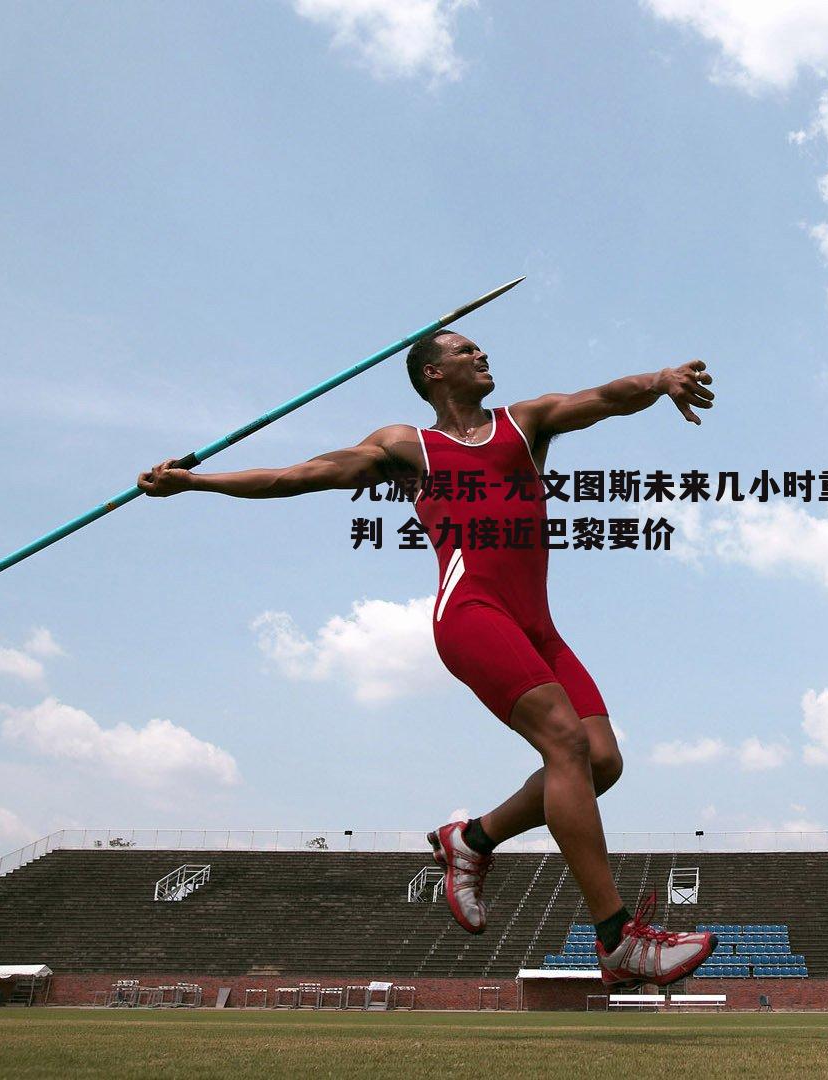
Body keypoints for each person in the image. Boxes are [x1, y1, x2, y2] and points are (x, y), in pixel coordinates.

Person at [137, 329, 718, 987]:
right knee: (565, 741)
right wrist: (196, 482)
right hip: (472, 613)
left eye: (482, 348)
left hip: (539, 628)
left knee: (601, 761)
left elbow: (605, 397)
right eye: (466, 350)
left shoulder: (523, 424)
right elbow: (302, 475)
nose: (482, 353)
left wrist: (662, 378)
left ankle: (470, 841)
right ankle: (617, 938)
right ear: (432, 372)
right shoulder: (407, 446)